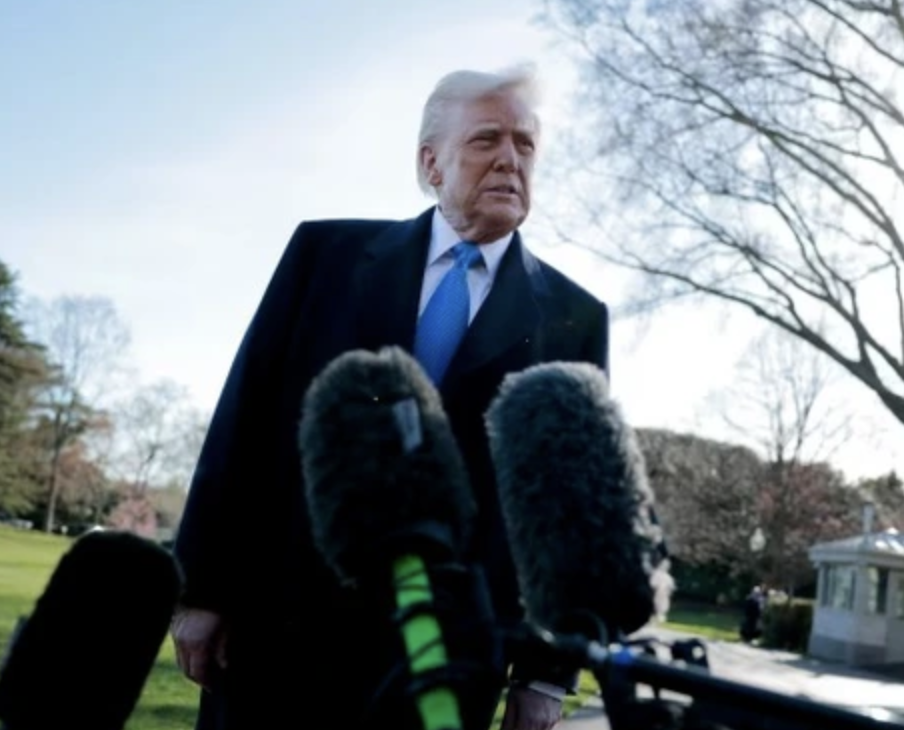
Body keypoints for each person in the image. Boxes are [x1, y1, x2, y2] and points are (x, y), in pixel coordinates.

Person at [171, 64, 609, 730]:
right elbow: (244, 423)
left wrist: (546, 673)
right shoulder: (324, 255)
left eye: (525, 144)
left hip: (445, 664)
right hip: (278, 634)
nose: (510, 160)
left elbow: (569, 511)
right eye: (486, 138)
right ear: (430, 163)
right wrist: (202, 588)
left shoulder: (575, 320)